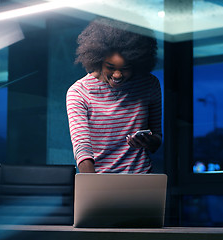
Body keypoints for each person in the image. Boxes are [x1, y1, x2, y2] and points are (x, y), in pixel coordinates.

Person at [66, 18, 162, 174]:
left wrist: (147, 141)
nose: (117, 75)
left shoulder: (149, 85)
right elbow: (82, 148)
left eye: (126, 68)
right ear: (97, 60)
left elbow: (157, 140)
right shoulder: (79, 92)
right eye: (110, 67)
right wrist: (91, 187)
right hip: (99, 182)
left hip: (140, 183)